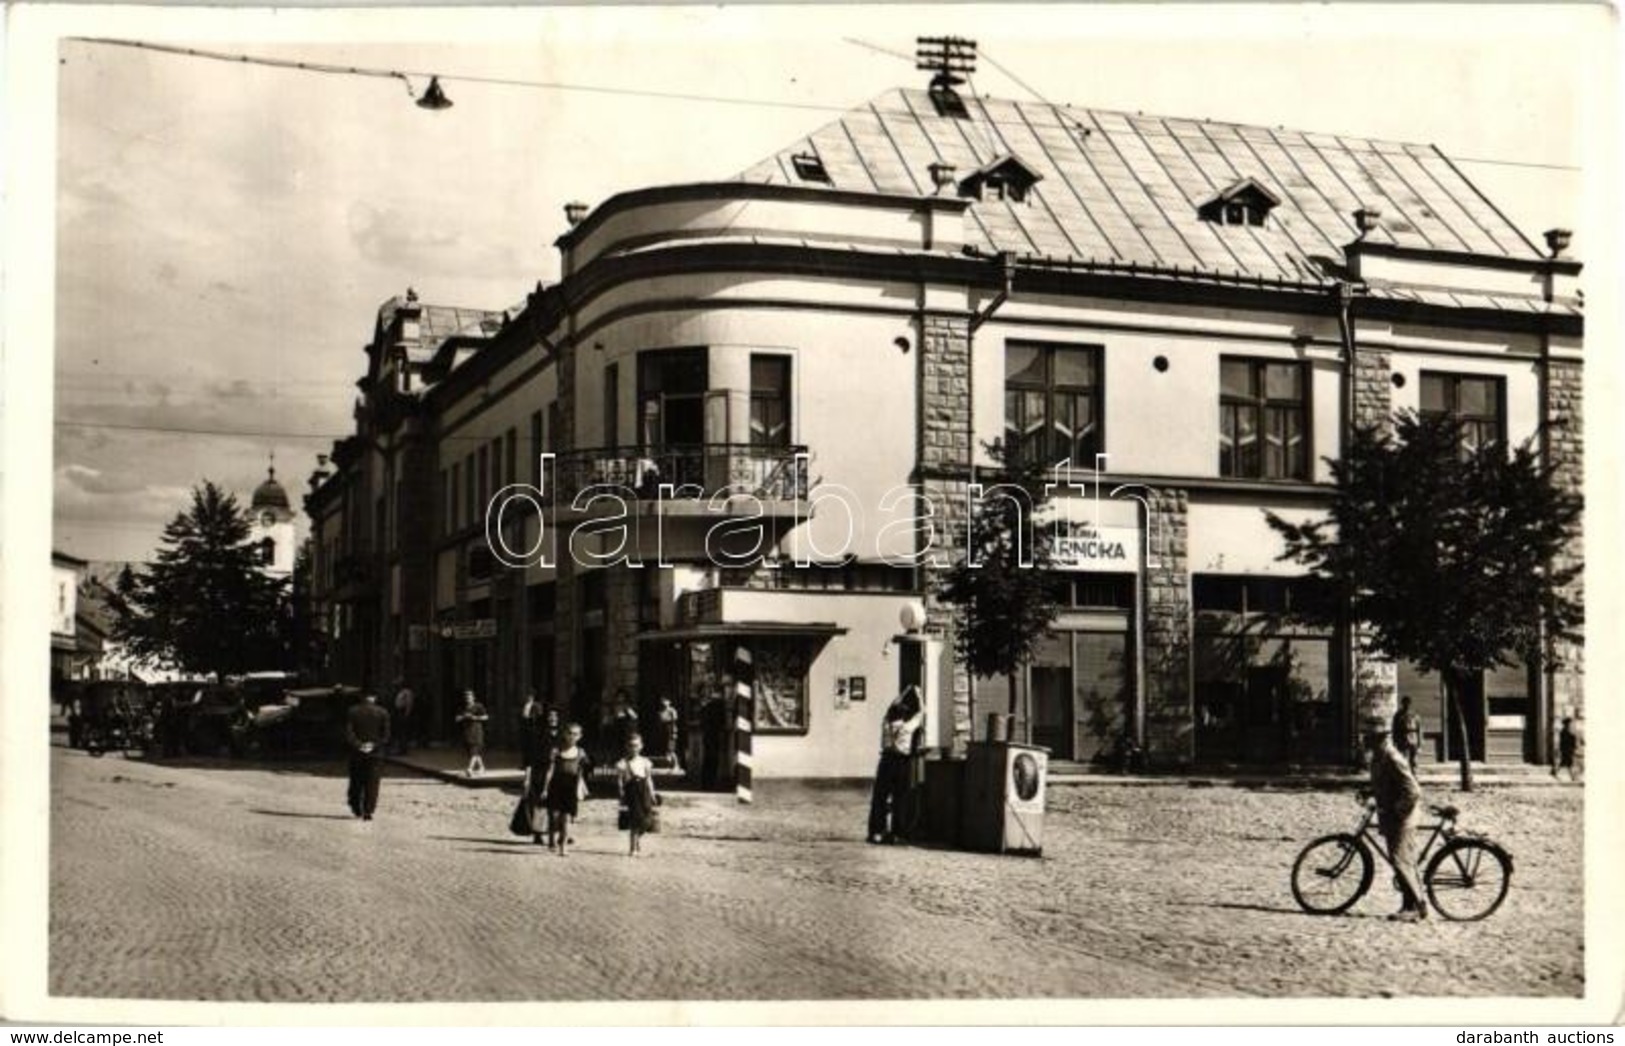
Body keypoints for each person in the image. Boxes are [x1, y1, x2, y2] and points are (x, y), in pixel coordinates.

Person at [1365, 718, 1426, 921]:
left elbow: (1413, 790)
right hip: (1391, 815)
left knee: (1401, 861)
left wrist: (1399, 811)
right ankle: (1406, 905)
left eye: (1369, 736)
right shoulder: (1379, 756)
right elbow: (1384, 782)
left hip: (1403, 817)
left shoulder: (1392, 757)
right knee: (1398, 860)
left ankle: (1417, 907)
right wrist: (1369, 791)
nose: (1365, 739)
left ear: (1379, 738)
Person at [867, 685, 925, 845]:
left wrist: (905, 691)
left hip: (886, 761)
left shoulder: (886, 724)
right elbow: (921, 713)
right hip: (901, 762)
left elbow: (891, 706)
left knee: (880, 797)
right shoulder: (907, 727)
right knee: (901, 798)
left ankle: (877, 832)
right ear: (904, 715)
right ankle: (897, 833)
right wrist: (918, 695)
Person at [541, 723, 590, 856]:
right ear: (564, 734)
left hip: (571, 785)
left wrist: (581, 787)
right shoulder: (556, 751)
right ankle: (551, 838)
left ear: (580, 736)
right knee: (554, 815)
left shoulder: (581, 753)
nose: (572, 736)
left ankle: (563, 845)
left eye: (575, 734)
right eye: (569, 733)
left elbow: (581, 772)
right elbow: (550, 770)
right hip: (556, 784)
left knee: (566, 817)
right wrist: (545, 788)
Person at [345, 692, 392, 821]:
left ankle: (356, 808)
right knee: (372, 783)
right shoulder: (383, 712)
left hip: (357, 753)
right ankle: (368, 810)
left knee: (356, 781)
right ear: (374, 698)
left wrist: (359, 745)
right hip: (376, 753)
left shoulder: (352, 711)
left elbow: (349, 733)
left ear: (362, 697)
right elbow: (386, 735)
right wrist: (373, 745)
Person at [616, 731, 659, 857]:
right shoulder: (622, 763)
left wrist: (652, 794)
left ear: (641, 746)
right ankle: (632, 848)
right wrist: (621, 793)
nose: (633, 748)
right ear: (627, 747)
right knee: (635, 820)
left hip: (644, 791)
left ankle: (637, 839)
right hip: (632, 793)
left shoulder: (645, 762)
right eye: (631, 745)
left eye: (636, 745)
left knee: (647, 820)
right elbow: (619, 780)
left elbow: (649, 779)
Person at [455, 689, 489, 777]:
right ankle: (482, 767)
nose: (468, 698)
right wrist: (462, 717)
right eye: (466, 697)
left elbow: (486, 717)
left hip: (477, 730)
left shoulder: (478, 706)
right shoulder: (463, 707)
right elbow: (457, 718)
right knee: (472, 751)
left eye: (469, 696)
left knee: (475, 749)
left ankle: (469, 769)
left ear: (473, 697)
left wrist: (475, 717)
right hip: (467, 731)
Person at [1391, 695, 1422, 772]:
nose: (1406, 705)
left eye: (1408, 703)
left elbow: (1419, 729)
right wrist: (1395, 740)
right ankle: (1404, 774)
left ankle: (1414, 774)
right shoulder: (1398, 715)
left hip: (1413, 737)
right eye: (1405, 703)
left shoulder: (1415, 715)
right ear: (1402, 704)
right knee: (1403, 758)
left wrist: (1420, 743)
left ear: (1410, 704)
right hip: (1402, 738)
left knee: (1414, 759)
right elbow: (1395, 728)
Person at [656, 694, 682, 771]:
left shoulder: (672, 710)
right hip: (664, 733)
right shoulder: (660, 712)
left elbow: (674, 721)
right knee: (666, 751)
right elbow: (659, 723)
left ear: (669, 702)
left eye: (666, 700)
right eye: (662, 700)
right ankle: (669, 765)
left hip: (671, 731)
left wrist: (674, 733)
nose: (664, 702)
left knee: (671, 749)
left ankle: (676, 765)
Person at [1555, 715, 1583, 782]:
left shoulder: (1566, 731)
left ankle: (1555, 772)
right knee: (1569, 764)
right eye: (1569, 723)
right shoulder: (1564, 731)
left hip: (1567, 750)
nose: (1570, 724)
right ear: (1566, 724)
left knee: (1566, 764)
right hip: (1567, 750)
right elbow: (1566, 740)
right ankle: (1573, 777)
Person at [392, 680, 415, 755]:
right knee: (399, 731)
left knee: (403, 731)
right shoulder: (400, 692)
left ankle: (403, 749)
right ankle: (400, 748)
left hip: (403, 711)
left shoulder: (407, 692)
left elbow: (409, 703)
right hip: (399, 711)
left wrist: (406, 713)